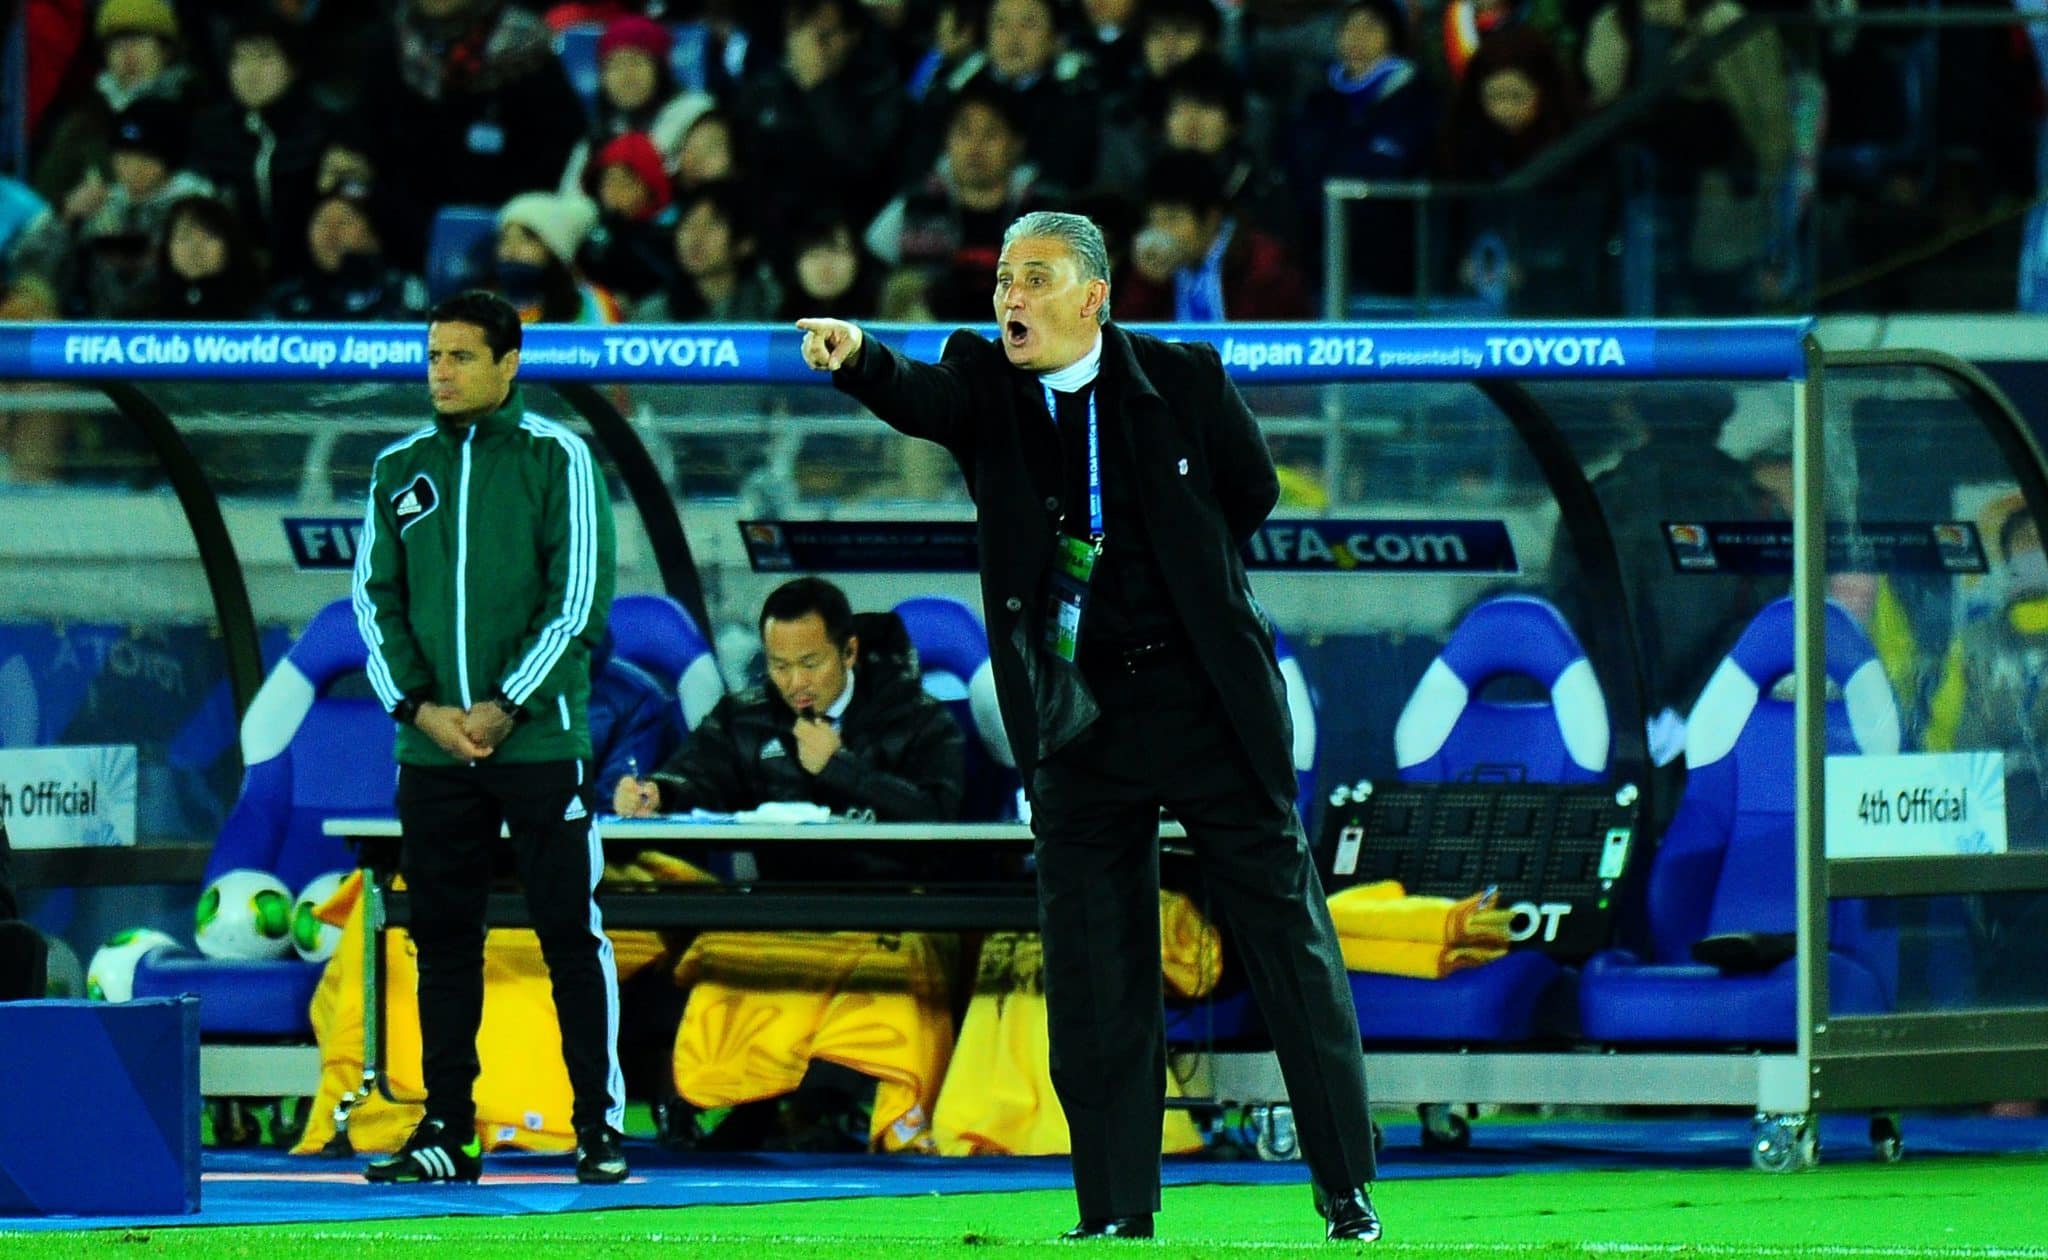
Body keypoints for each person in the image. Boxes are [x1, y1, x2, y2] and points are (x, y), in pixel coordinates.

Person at [795, 211, 1380, 1242]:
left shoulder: (1184, 379)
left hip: (1203, 701)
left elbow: (1244, 493)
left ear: (1093, 296)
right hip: (1077, 714)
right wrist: (860, 357)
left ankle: (1345, 1189)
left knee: (1288, 941)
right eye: (1004, 280)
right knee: (1093, 972)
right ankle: (1113, 1210)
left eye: (1036, 277)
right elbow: (921, 398)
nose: (1010, 296)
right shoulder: (984, 382)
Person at [350, 289, 623, 1185]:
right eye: (433, 356)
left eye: (461, 357)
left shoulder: (561, 459)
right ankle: (448, 1130)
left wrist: (504, 705)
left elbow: (576, 597)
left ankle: (598, 1126)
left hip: (540, 744)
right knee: (442, 939)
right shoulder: (398, 468)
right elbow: (372, 602)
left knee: (566, 933)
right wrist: (421, 712)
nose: (441, 373)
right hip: (431, 752)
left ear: (510, 365)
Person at [611, 577, 966, 1153]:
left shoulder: (920, 719)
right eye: (779, 666)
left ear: (848, 651)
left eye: (810, 663)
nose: (795, 683)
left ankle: (823, 1102)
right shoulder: (746, 718)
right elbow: (697, 773)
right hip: (784, 903)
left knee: (877, 964)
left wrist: (843, 770)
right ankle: (725, 1097)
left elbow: (942, 822)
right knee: (724, 950)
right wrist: (657, 794)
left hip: (891, 904)